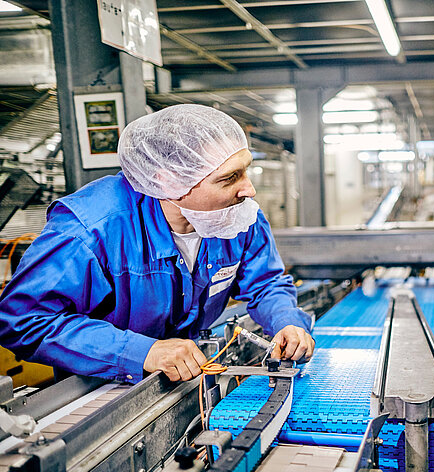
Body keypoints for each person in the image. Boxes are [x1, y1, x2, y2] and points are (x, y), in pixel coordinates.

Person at [0, 104, 314, 383]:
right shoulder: (92, 230)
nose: (249, 189)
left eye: (246, 171)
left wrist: (285, 321)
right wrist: (142, 352)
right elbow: (22, 320)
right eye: (229, 178)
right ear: (170, 181)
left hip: (191, 377)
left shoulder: (237, 216)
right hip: (101, 390)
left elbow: (265, 284)